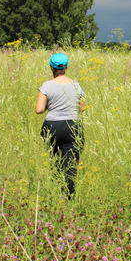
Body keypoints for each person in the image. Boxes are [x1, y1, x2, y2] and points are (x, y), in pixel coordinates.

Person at [35, 53, 85, 197]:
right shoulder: (76, 85)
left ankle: (56, 194)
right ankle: (68, 197)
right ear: (67, 67)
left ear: (51, 67)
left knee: (55, 162)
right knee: (70, 165)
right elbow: (81, 108)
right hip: (73, 126)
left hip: (52, 127)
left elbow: (39, 110)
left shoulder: (46, 86)